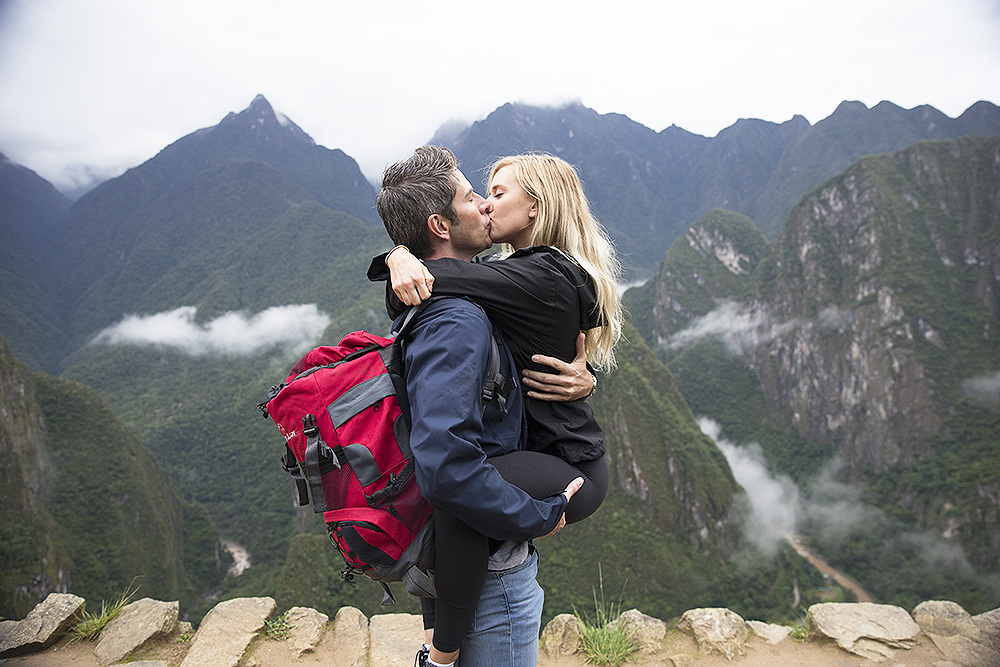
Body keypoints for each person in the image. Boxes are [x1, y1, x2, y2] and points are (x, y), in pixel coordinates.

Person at [371, 150, 624, 665]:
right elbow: (431, 289)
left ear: (536, 207)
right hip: (551, 454)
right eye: (477, 196)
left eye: (498, 194)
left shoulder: (545, 275)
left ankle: (439, 655)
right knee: (453, 481)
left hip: (572, 470)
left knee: (456, 484)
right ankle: (439, 648)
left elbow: (429, 284)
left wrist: (399, 257)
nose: (486, 205)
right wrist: (399, 256)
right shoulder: (514, 275)